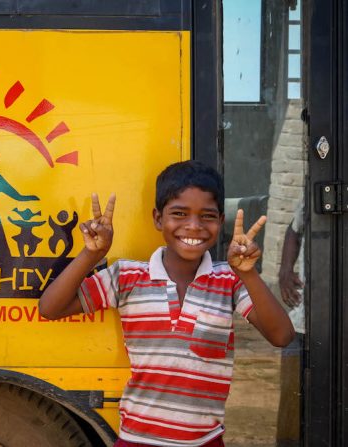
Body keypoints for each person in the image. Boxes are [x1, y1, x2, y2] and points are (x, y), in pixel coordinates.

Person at [39, 160, 294, 447]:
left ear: (220, 221)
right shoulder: (128, 277)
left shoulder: (229, 280)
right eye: (179, 214)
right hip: (137, 440)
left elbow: (281, 336)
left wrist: (248, 273)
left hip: (206, 441)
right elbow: (50, 308)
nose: (194, 226)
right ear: (158, 218)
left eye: (206, 216)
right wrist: (91, 254)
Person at [276, 199, 305, 446]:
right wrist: (285, 270)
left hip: (337, 322)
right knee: (292, 400)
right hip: (302, 317)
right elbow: (294, 230)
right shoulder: (318, 180)